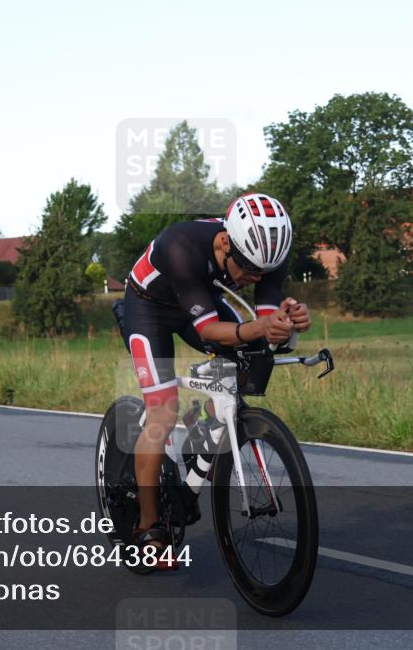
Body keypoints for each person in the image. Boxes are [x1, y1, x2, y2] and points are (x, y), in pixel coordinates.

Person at [117, 193, 311, 567]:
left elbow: (264, 326)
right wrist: (261, 326)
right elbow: (207, 330)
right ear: (225, 242)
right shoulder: (181, 246)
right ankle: (148, 526)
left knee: (247, 356)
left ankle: (201, 433)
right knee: (162, 413)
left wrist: (290, 323)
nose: (253, 279)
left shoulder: (267, 256)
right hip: (149, 308)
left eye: (262, 275)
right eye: (248, 271)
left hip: (197, 298)